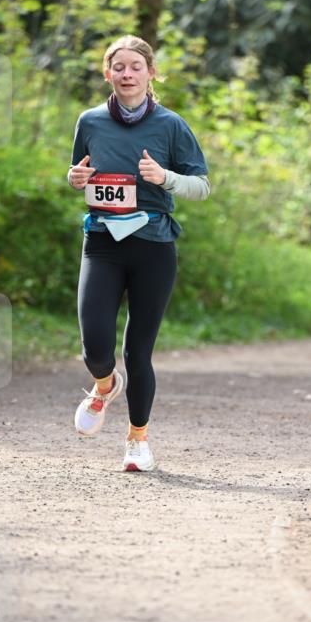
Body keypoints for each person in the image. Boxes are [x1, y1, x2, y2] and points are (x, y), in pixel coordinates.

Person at [68, 35, 210, 470]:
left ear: (151, 73)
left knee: (138, 352)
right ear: (107, 73)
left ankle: (137, 441)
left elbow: (201, 186)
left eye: (136, 66)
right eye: (119, 67)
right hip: (103, 243)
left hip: (153, 246)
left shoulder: (170, 125)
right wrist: (74, 178)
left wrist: (164, 176)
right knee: (94, 343)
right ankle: (104, 385)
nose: (127, 74)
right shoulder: (90, 121)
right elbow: (80, 172)